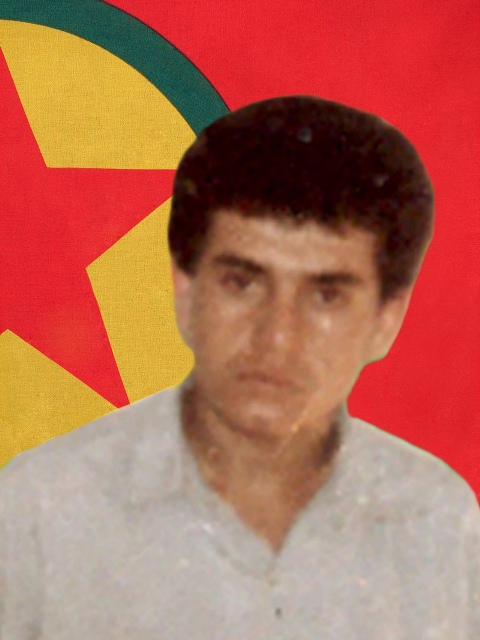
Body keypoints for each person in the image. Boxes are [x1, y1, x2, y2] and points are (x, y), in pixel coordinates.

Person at [1, 96, 479, 639]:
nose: (276, 338)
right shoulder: (42, 509)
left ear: (386, 320)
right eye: (242, 283)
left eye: (326, 295)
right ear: (186, 292)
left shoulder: (436, 520)